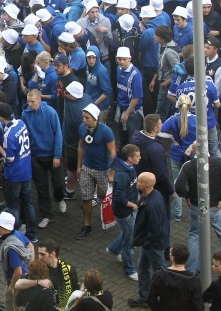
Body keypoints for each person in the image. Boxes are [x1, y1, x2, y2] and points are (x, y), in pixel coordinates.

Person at [0, 103, 38, 243]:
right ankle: (32, 235)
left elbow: (10, 158)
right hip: (26, 171)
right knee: (28, 203)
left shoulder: (8, 135)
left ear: (0, 117)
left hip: (14, 175)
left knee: (13, 206)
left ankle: (13, 236)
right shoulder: (21, 123)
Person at [174, 144, 221, 273]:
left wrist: (188, 196)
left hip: (196, 206)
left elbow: (178, 186)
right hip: (215, 206)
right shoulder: (219, 162)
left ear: (194, 151)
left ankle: (193, 269)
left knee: (195, 235)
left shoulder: (188, 165)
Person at [21, 89, 65, 229]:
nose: (29, 104)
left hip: (52, 155)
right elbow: (24, 134)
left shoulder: (51, 112)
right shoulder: (25, 114)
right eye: (28, 101)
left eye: (32, 101)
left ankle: (60, 198)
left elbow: (58, 134)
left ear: (39, 100)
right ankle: (47, 215)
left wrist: (57, 155)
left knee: (58, 184)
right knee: (41, 188)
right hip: (36, 156)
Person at [128, 171, 169, 308]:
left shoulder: (152, 204)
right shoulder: (152, 195)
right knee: (143, 268)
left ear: (146, 186)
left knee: (160, 272)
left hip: (153, 244)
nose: (136, 183)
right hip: (149, 243)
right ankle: (144, 297)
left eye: (139, 181)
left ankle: (167, 298)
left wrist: (146, 242)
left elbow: (155, 229)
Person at [76, 103, 116, 240]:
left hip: (103, 169)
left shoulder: (106, 131)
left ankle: (111, 217)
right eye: (83, 117)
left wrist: (112, 173)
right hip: (87, 167)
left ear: (95, 118)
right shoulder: (82, 128)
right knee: (86, 197)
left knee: (104, 196)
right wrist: (78, 166)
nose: (84, 120)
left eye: (87, 118)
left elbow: (112, 153)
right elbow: (81, 147)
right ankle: (86, 225)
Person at [107, 143, 141, 280]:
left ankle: (114, 248)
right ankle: (129, 269)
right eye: (137, 156)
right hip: (125, 213)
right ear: (129, 158)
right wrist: (133, 205)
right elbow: (119, 198)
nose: (140, 158)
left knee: (128, 233)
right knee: (129, 242)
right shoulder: (122, 175)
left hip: (129, 210)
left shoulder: (130, 167)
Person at [0, 211, 34, 311]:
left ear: (6, 229)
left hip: (16, 282)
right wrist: (30, 264)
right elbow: (31, 246)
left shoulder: (11, 248)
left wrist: (11, 287)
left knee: (12, 306)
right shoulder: (17, 234)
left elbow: (18, 271)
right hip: (24, 278)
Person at [147, 242, 203, 309]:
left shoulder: (159, 275)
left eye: (170, 253)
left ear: (172, 258)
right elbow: (198, 306)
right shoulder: (193, 280)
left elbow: (151, 299)